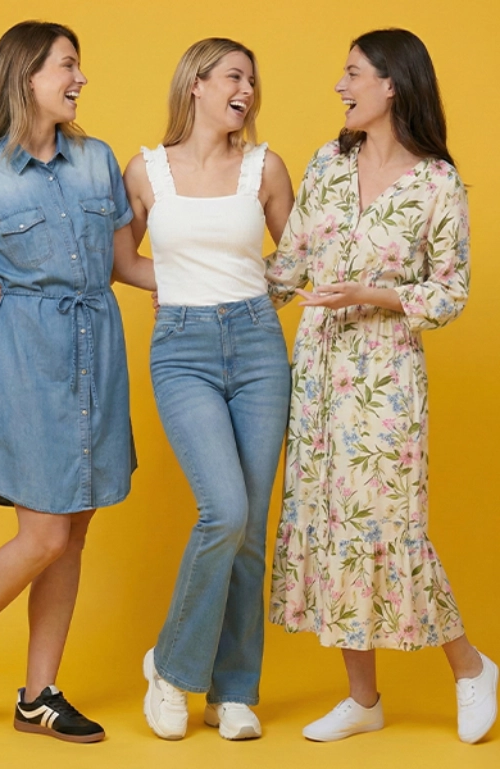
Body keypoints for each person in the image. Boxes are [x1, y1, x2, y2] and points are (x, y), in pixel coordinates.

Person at [0, 21, 154, 743]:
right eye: (68, 66)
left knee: (71, 533)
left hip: (96, 351)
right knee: (42, 533)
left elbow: (123, 264)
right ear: (26, 77)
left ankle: (38, 694)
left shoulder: (97, 159)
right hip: (30, 360)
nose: (80, 80)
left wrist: (212, 282)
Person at [267, 28, 497, 744]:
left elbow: (451, 290)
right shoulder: (328, 165)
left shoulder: (436, 184)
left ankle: (469, 667)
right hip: (318, 377)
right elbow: (287, 265)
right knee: (330, 525)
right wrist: (187, 286)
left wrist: (376, 293)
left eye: (353, 73)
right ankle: (362, 697)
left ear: (392, 84)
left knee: (387, 524)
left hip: (386, 374)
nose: (340, 86)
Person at [123, 38, 294, 740]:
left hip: (258, 346)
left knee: (251, 528)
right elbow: (117, 260)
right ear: (196, 83)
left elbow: (303, 255)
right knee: (222, 510)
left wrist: (250, 297)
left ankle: (234, 691)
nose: (246, 90)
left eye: (252, 80)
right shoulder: (145, 170)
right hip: (182, 349)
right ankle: (170, 666)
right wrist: (184, 290)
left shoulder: (266, 166)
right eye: (234, 76)